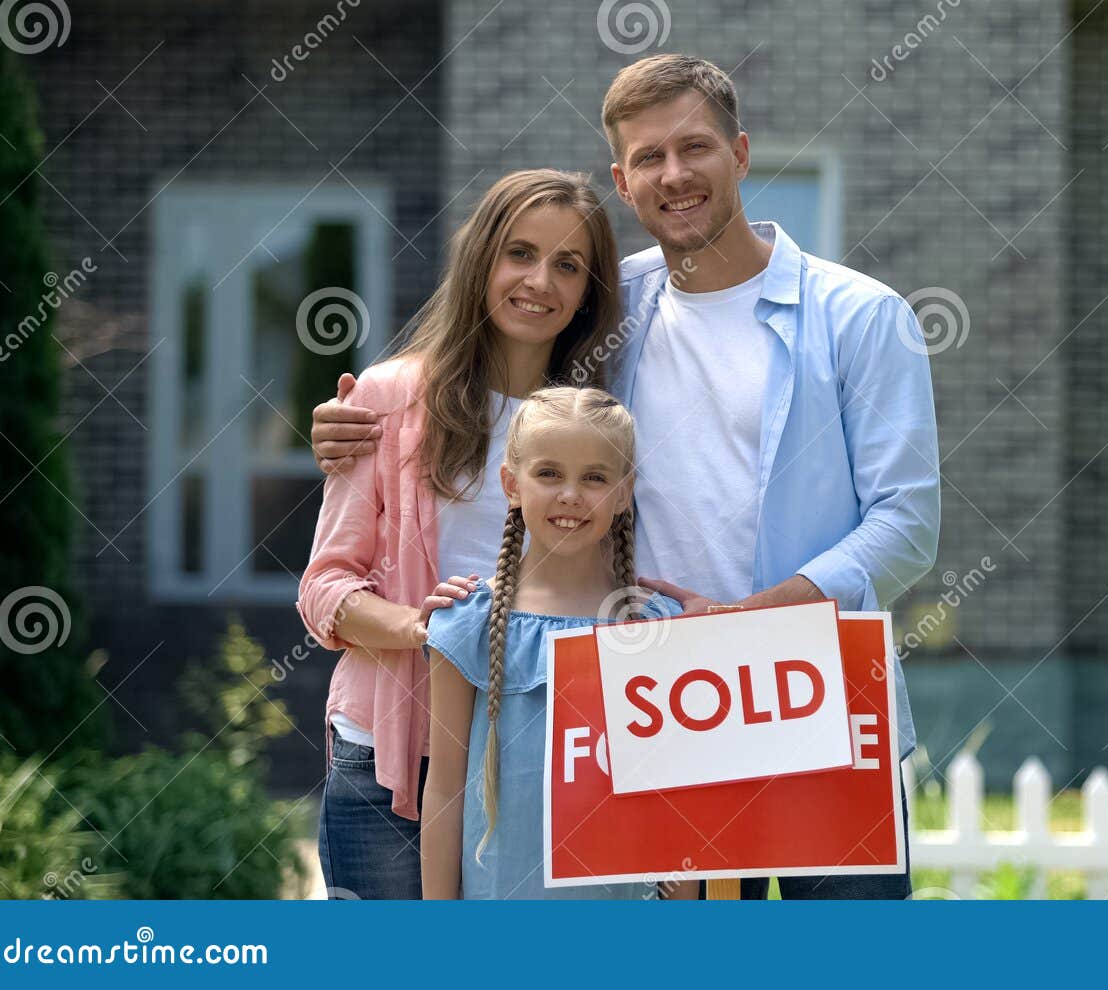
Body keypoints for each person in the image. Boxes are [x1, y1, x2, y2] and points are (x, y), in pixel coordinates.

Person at [310, 54, 941, 899]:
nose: (674, 175)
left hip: (807, 690)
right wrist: (359, 421)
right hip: (644, 708)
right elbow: (495, 386)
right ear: (623, 178)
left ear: (742, 153)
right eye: (649, 158)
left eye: (695, 149)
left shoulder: (861, 317)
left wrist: (749, 620)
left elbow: (906, 526)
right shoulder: (613, 307)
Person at [296, 170, 623, 899]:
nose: (540, 281)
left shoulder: (595, 423)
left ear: (588, 291)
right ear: (481, 260)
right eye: (520, 253)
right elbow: (323, 591)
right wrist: (432, 630)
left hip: (531, 763)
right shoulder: (385, 400)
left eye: (568, 265)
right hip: (394, 759)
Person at [420, 386, 681, 899]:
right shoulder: (468, 622)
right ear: (511, 484)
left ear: (624, 492)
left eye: (595, 478)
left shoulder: (656, 628)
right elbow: (445, 791)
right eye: (549, 473)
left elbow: (678, 802)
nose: (570, 495)